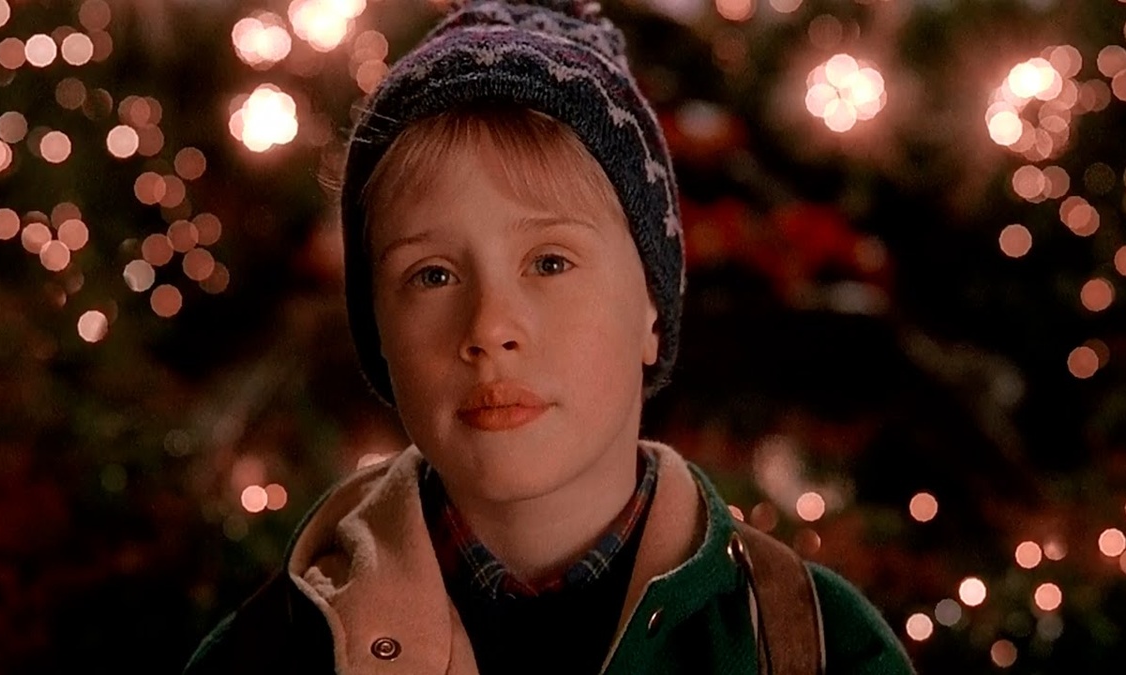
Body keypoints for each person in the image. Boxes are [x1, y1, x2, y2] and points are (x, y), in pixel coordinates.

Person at [184, 0, 916, 672]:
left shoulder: (810, 644)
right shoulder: (270, 656)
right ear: (378, 333)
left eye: (550, 262)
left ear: (652, 311)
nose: (489, 327)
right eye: (433, 275)